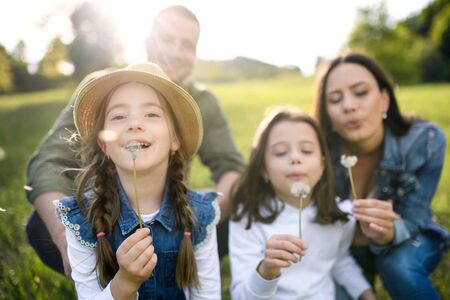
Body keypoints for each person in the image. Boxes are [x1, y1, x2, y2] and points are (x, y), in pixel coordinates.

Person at [25, 5, 243, 276]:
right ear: (148, 42)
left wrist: (201, 222)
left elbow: (232, 167)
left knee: (236, 214)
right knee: (41, 223)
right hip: (107, 219)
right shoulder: (101, 88)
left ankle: (176, 275)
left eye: (187, 45)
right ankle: (101, 277)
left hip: (173, 221)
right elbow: (48, 162)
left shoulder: (203, 102)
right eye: (166, 38)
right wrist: (64, 235)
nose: (175, 52)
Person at [54, 62, 221, 299]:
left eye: (151, 114)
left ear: (175, 139)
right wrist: (125, 283)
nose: (134, 124)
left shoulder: (198, 215)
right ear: (105, 145)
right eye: (119, 116)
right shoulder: (82, 218)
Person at [313, 52, 450, 299]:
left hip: (407, 237)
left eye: (361, 92)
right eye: (335, 99)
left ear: (384, 100)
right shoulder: (315, 154)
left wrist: (388, 234)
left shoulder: (425, 141)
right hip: (343, 251)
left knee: (399, 268)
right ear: (327, 113)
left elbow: (414, 216)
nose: (349, 105)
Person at [228, 107, 375, 299]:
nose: (295, 158)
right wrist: (266, 270)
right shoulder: (248, 217)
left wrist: (367, 294)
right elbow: (241, 296)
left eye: (306, 150)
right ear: (263, 168)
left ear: (322, 164)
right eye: (280, 153)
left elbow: (339, 261)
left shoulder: (339, 214)